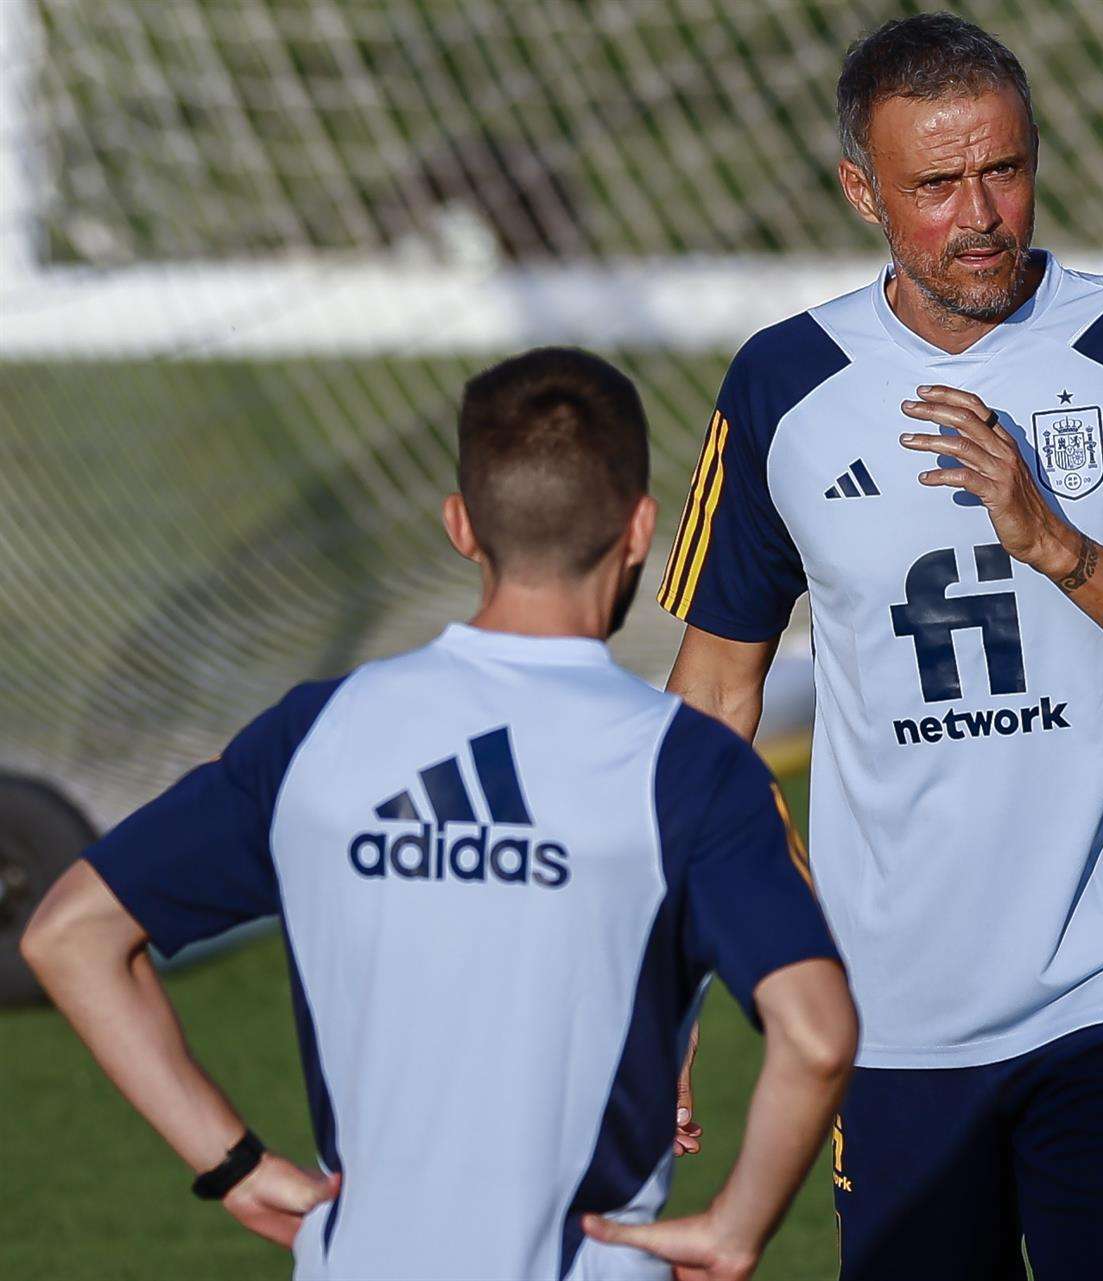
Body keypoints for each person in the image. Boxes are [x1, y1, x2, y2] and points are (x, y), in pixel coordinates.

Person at [653, 12, 1103, 1279]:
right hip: (886, 1020)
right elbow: (708, 707)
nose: (981, 213)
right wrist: (688, 982)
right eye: (936, 184)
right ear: (862, 192)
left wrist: (1059, 547)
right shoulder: (782, 385)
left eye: (1002, 168)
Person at [21, 347, 856, 1281]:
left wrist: (237, 1166)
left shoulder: (317, 733)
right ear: (639, 528)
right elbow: (818, 1035)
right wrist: (737, 1227)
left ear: (462, 526)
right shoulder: (689, 767)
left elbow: (70, 935)